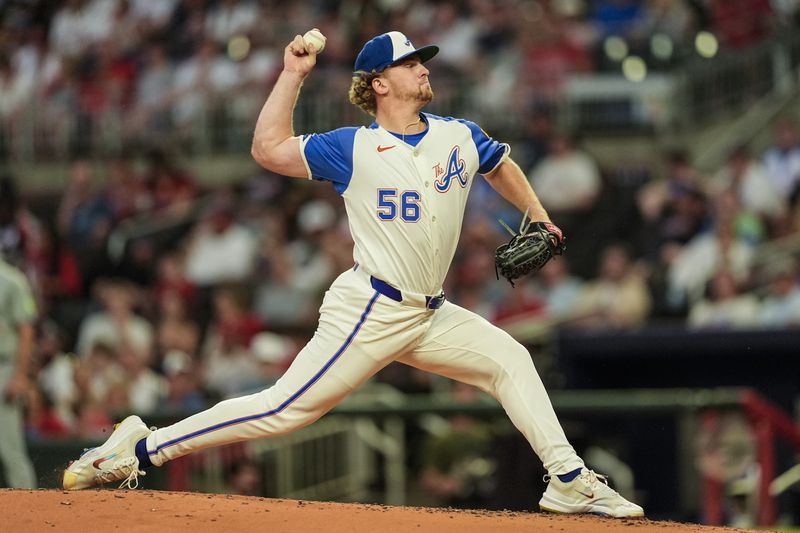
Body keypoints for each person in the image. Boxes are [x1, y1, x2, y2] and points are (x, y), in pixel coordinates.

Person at [62, 29, 643, 518]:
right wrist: (292, 73)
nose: (422, 68)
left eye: (422, 61)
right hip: (372, 305)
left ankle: (567, 476)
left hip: (429, 311)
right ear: (380, 83)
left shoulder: (457, 134)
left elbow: (501, 165)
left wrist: (537, 216)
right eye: (410, 63)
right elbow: (267, 149)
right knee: (284, 410)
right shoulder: (353, 147)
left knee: (509, 360)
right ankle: (140, 450)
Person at [0, 254, 38, 488]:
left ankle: (29, 513)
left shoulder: (12, 280)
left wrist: (20, 376)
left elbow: (26, 330)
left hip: (3, 369)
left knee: (9, 447)